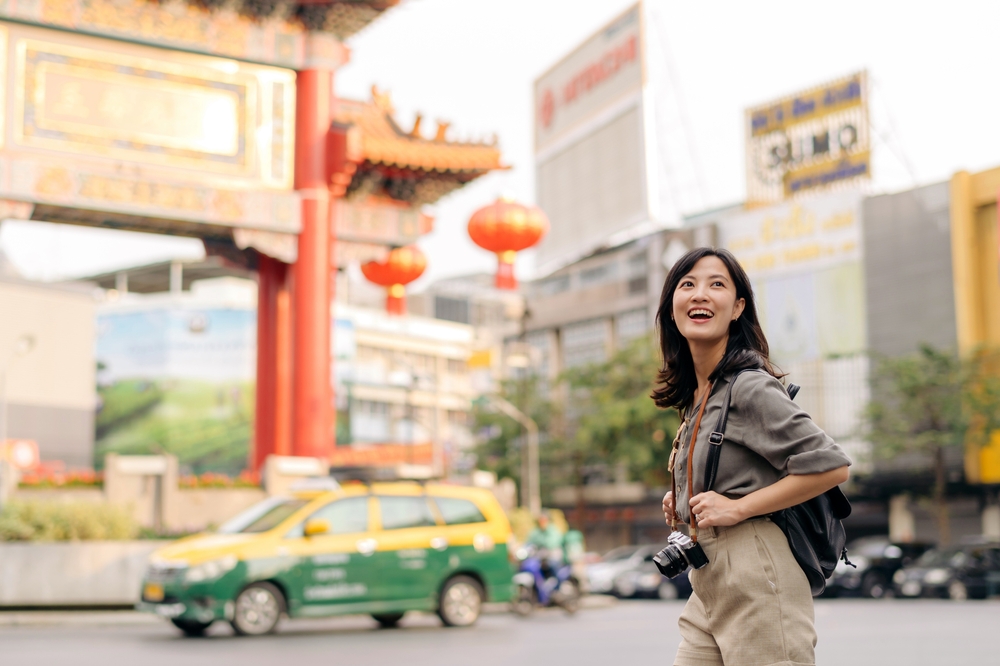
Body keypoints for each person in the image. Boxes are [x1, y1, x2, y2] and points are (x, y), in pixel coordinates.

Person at [654, 248, 851, 666]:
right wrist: (685, 497)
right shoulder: (699, 397)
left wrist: (737, 507)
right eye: (687, 285)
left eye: (717, 284)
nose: (700, 294)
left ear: (738, 307)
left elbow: (832, 465)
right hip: (708, 578)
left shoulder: (749, 386)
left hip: (755, 571)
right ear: (672, 308)